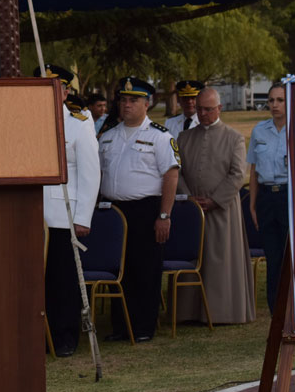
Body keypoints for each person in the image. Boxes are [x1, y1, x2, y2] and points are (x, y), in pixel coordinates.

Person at [98, 77, 180, 343]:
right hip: (114, 210)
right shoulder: (108, 136)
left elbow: (171, 176)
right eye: (123, 100)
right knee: (119, 269)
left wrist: (164, 215)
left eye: (133, 100)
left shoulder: (159, 136)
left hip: (146, 210)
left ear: (148, 103)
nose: (127, 105)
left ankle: (144, 326)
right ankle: (121, 326)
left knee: (145, 268)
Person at [176, 88, 255, 324]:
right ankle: (188, 312)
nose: (203, 114)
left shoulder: (233, 138)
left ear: (219, 109)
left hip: (222, 210)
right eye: (199, 109)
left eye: (208, 109)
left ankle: (222, 312)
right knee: (192, 257)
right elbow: (176, 173)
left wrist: (214, 200)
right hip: (192, 211)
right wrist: (189, 199)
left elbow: (237, 175)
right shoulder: (184, 138)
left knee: (221, 260)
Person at [39, 66, 100, 357]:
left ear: (65, 92)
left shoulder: (78, 123)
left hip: (65, 216)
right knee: (38, 280)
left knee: (63, 281)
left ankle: (64, 337)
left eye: (55, 87)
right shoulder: (27, 121)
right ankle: (41, 336)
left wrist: (82, 218)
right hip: (35, 218)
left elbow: (91, 173)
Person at [247, 82, 289, 314]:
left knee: (289, 259)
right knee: (272, 259)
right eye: (271, 100)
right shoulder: (259, 131)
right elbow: (254, 170)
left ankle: (294, 308)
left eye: (280, 100)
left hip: (288, 197)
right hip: (266, 199)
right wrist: (253, 205)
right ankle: (277, 312)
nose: (274, 105)